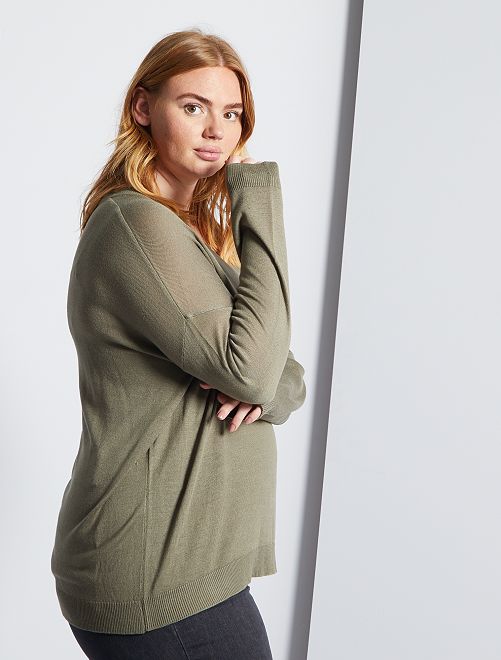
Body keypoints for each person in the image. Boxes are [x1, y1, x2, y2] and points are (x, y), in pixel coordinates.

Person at [50, 28, 306, 659]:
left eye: (232, 114)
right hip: (156, 578)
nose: (217, 130)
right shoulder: (136, 225)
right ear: (144, 107)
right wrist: (259, 202)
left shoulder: (184, 234)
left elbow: (285, 373)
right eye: (194, 107)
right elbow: (254, 371)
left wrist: (261, 380)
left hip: (185, 569)